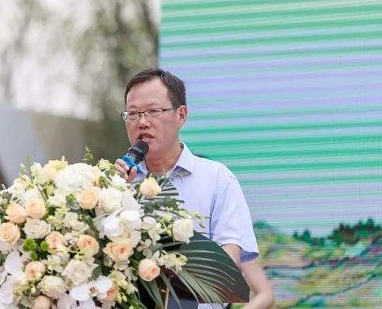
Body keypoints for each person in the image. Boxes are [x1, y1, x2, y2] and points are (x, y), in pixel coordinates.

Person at [114, 68, 275, 309]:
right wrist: (116, 196)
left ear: (181, 115)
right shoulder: (113, 185)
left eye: (153, 111)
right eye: (133, 114)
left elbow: (228, 258)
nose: (143, 122)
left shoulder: (218, 179)